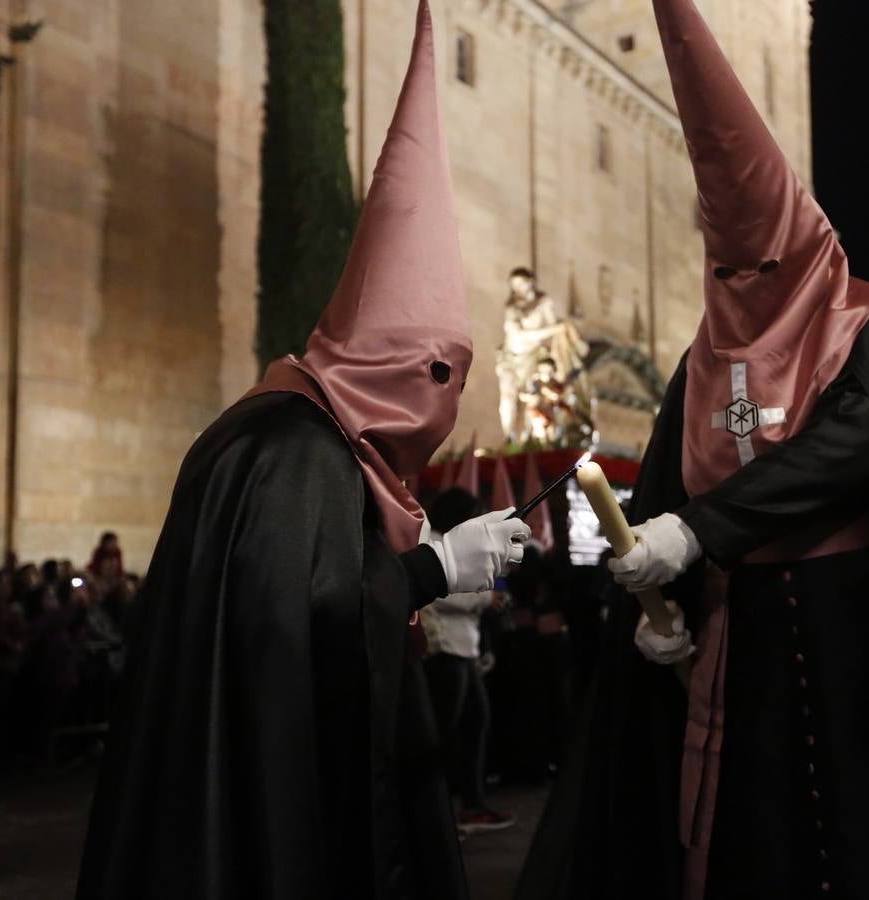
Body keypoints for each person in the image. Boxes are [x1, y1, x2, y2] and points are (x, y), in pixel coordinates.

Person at [516, 1, 869, 897]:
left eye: (763, 267)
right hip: (741, 662)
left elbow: (850, 446)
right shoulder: (698, 362)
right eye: (726, 272)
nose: (745, 289)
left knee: (861, 844)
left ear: (805, 247)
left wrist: (696, 534)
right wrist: (669, 600)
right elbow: (659, 495)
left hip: (861, 655)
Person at [76, 6, 529, 897]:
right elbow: (298, 652)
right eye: (438, 373)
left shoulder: (285, 431)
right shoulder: (297, 454)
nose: (441, 406)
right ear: (393, 364)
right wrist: (432, 570)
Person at [421, 487, 516, 835]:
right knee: (442, 734)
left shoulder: (452, 540)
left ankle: (470, 804)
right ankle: (437, 812)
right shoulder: (427, 539)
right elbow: (439, 589)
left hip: (465, 650)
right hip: (442, 649)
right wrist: (485, 598)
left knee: (475, 724)